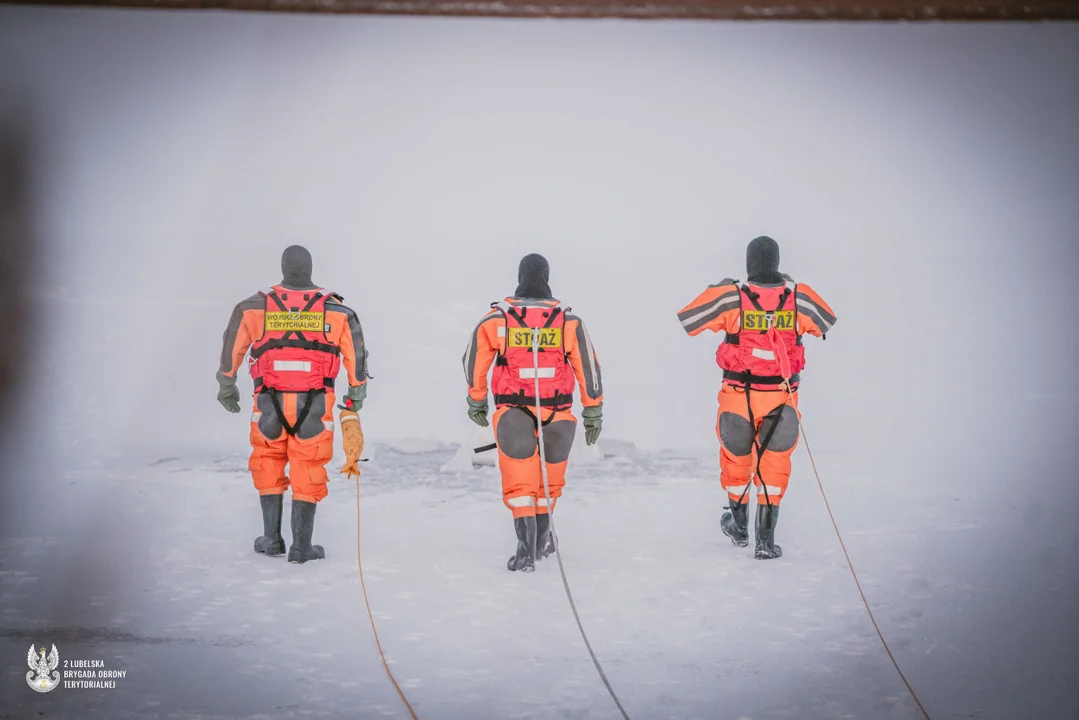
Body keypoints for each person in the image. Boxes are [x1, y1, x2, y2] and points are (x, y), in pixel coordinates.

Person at [677, 236, 836, 559]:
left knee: (737, 463)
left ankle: (737, 527)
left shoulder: (731, 297)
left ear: (750, 263)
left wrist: (717, 289)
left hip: (738, 396)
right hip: (782, 397)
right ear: (777, 262)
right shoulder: (799, 298)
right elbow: (825, 324)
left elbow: (689, 320)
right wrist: (789, 292)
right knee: (774, 466)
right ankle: (765, 541)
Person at [216, 245, 370, 564]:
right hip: (315, 404)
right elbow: (356, 353)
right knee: (309, 465)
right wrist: (357, 392)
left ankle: (271, 539)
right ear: (309, 269)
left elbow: (233, 344)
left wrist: (226, 383)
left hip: (268, 402)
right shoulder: (338, 312)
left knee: (268, 460)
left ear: (284, 268)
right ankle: (302, 546)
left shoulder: (253, 307)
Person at [462, 253, 604, 573]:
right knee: (550, 482)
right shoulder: (569, 322)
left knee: (520, 479)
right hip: (559, 411)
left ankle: (526, 551)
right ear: (547, 276)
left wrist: (476, 400)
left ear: (520, 276)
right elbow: (589, 368)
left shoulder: (497, 320)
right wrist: (593, 410)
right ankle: (542, 542)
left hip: (513, 411)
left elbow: (473, 360)